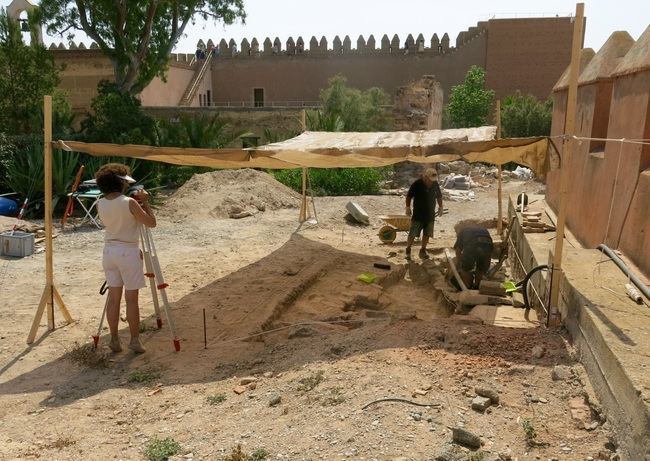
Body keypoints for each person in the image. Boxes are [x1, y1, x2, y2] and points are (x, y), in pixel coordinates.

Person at [95, 164, 156, 354]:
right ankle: (135, 340)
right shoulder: (128, 202)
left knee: (114, 299)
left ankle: (114, 340)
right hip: (128, 251)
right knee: (131, 299)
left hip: (109, 251)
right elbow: (151, 223)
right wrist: (145, 202)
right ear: (120, 183)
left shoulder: (100, 202)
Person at [405, 168, 444, 260]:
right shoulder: (417, 184)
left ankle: (423, 250)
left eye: (433, 180)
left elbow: (439, 196)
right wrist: (407, 207)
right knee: (413, 233)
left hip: (430, 215)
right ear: (425, 177)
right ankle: (408, 249)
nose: (431, 182)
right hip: (418, 214)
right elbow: (409, 196)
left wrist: (440, 206)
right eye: (430, 180)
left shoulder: (435, 184)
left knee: (427, 233)